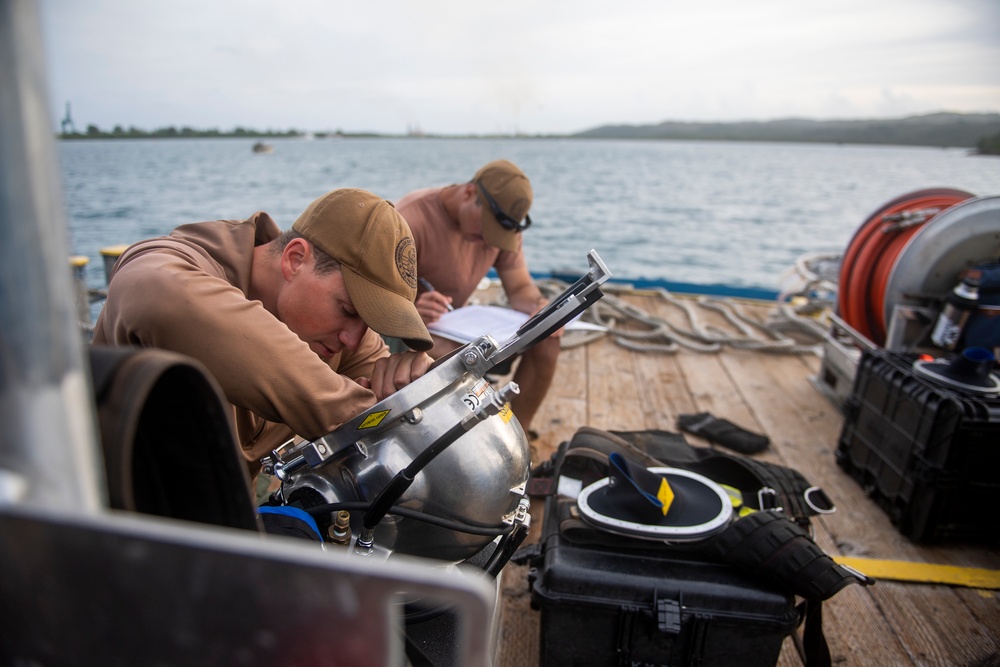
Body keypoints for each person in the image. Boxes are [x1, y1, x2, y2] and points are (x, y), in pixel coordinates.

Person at [92, 187, 434, 475]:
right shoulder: (171, 264)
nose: (352, 339)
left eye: (370, 324)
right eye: (347, 310)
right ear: (295, 259)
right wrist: (363, 415)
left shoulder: (340, 337)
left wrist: (416, 393)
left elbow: (388, 394)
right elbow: (156, 293)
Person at [395, 159, 559, 437]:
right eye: (486, 230)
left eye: (497, 237)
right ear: (469, 193)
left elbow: (520, 288)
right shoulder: (410, 219)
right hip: (406, 332)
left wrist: (540, 308)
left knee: (548, 340)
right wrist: (411, 310)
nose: (488, 242)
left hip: (457, 327)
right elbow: (374, 301)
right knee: (451, 355)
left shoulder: (504, 231)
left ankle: (517, 436)